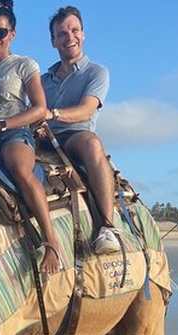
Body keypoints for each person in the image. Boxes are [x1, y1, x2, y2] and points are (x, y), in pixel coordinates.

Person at [0, 0, 62, 274]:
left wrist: (1, 125)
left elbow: (39, 108)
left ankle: (51, 241)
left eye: (0, 32)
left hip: (13, 132)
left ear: (12, 34)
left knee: (19, 168)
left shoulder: (23, 65)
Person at [41, 5, 120, 255]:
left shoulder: (96, 72)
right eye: (62, 34)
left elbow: (87, 109)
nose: (69, 37)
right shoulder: (42, 80)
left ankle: (107, 228)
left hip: (75, 134)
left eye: (74, 30)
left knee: (92, 144)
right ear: (53, 41)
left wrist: (52, 115)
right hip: (41, 138)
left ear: (83, 34)